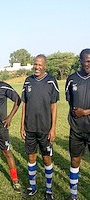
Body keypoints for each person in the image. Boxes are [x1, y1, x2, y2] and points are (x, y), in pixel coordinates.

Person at [20, 54, 59, 200]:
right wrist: (22, 125)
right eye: (35, 64)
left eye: (40, 65)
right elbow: (24, 104)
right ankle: (32, 187)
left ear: (45, 66)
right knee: (31, 157)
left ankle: (49, 190)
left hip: (45, 129)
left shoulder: (51, 81)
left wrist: (53, 128)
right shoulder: (27, 81)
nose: (37, 67)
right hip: (30, 127)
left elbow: (54, 106)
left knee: (46, 158)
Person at [65, 48, 90, 200]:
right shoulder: (72, 79)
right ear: (80, 61)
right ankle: (73, 195)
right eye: (87, 60)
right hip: (76, 129)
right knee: (75, 159)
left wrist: (85, 112)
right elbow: (69, 100)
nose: (89, 63)